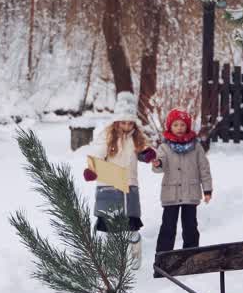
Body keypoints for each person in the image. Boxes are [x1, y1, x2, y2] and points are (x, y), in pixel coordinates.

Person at [83, 92, 157, 268]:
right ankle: (111, 261)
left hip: (129, 186)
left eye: (129, 122)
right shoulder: (107, 135)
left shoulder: (136, 137)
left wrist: (147, 154)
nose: (126, 125)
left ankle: (135, 252)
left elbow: (143, 151)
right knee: (110, 229)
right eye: (123, 122)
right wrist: (92, 169)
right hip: (109, 186)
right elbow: (97, 153)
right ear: (117, 121)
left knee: (131, 227)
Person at [153, 108, 212, 254]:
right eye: (175, 125)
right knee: (168, 227)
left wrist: (207, 189)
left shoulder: (196, 147)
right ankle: (163, 261)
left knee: (190, 227)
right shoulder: (164, 147)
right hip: (171, 194)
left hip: (190, 194)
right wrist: (158, 164)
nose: (179, 128)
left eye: (182, 125)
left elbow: (204, 168)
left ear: (187, 126)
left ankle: (190, 258)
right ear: (170, 127)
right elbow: (160, 166)